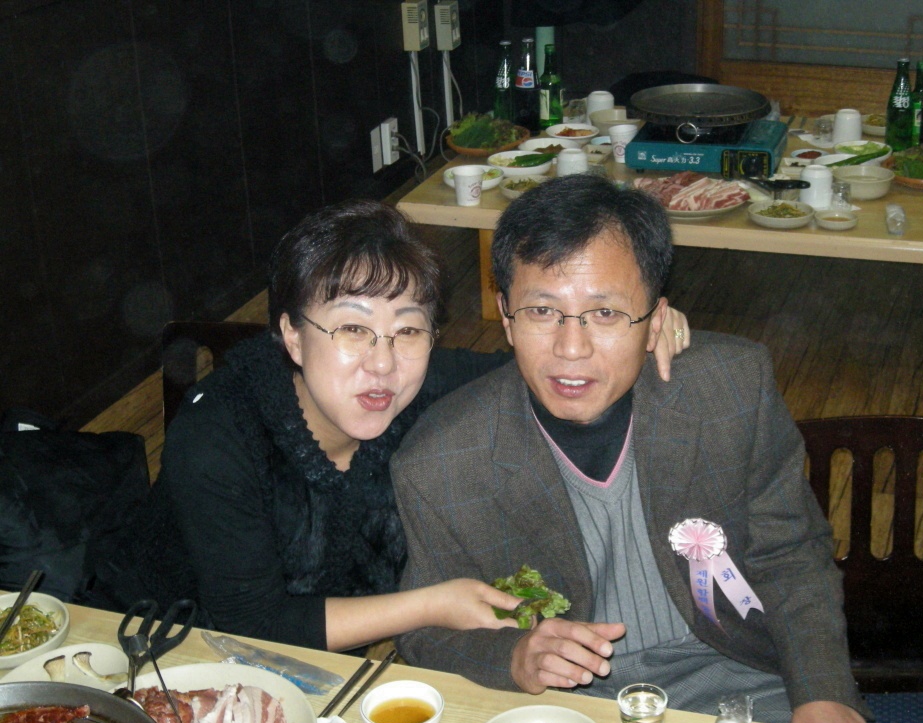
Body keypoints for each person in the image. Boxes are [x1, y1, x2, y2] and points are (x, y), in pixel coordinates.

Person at [96, 199, 690, 654]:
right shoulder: (219, 437)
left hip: (331, 671)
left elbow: (540, 363)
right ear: (293, 336)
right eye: (352, 329)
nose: (382, 364)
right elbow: (251, 624)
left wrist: (634, 326)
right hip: (153, 647)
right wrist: (431, 605)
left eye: (407, 329)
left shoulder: (417, 381)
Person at [392, 175, 871, 723]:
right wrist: (514, 656)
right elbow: (424, 634)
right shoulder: (441, 462)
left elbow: (790, 554)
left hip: (741, 677)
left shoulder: (731, 388)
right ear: (505, 315)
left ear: (656, 318)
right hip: (564, 708)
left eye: (606, 314)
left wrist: (825, 693)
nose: (572, 349)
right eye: (542, 311)